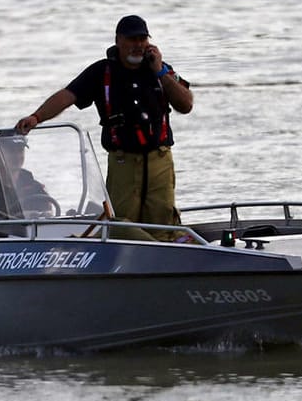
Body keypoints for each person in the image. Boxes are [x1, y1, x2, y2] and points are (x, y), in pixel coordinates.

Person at [15, 14, 195, 242]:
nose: (138, 45)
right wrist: (37, 117)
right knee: (122, 224)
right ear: (118, 40)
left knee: (162, 220)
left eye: (142, 39)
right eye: (132, 39)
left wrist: (160, 71)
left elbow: (186, 104)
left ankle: (169, 256)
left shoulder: (160, 70)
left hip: (159, 159)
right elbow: (67, 95)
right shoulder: (102, 72)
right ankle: (131, 260)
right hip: (123, 162)